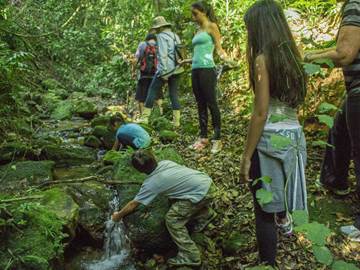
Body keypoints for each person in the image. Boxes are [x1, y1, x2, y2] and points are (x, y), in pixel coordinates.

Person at [239, 0, 307, 266]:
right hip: (294, 136)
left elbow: (260, 113)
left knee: (263, 208)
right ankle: (286, 221)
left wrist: (246, 156)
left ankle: (267, 263)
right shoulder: (294, 55)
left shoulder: (262, 59)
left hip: (269, 139)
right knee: (282, 193)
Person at [111, 150, 217, 267]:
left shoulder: (152, 183)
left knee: (172, 220)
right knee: (172, 199)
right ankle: (206, 214)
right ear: (154, 158)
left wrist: (118, 216)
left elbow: (133, 204)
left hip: (201, 195)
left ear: (139, 170)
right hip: (207, 183)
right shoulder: (165, 163)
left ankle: (191, 255)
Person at [304, 0, 360, 197]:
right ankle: (335, 181)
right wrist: (310, 54)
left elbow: (344, 55)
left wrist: (307, 58)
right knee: (340, 129)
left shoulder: (354, 5)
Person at [181, 1, 233, 154]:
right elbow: (198, 52)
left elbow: (218, 49)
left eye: (195, 13)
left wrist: (228, 60)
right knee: (200, 104)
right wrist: (186, 61)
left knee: (212, 103)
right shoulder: (197, 31)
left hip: (207, 70)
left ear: (203, 11)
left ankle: (217, 139)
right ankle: (203, 138)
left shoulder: (212, 26)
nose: (193, 17)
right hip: (195, 70)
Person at [139, 16, 182, 127]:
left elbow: (163, 55)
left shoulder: (161, 36)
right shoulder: (175, 35)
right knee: (173, 94)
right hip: (178, 68)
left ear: (159, 27)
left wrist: (163, 72)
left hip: (166, 70)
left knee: (152, 90)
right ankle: (176, 121)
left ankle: (145, 118)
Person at [134, 32, 164, 116]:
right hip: (156, 74)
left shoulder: (142, 45)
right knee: (158, 95)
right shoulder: (159, 45)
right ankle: (161, 114)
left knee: (141, 97)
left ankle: (143, 116)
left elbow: (136, 59)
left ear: (147, 38)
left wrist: (133, 71)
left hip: (144, 75)